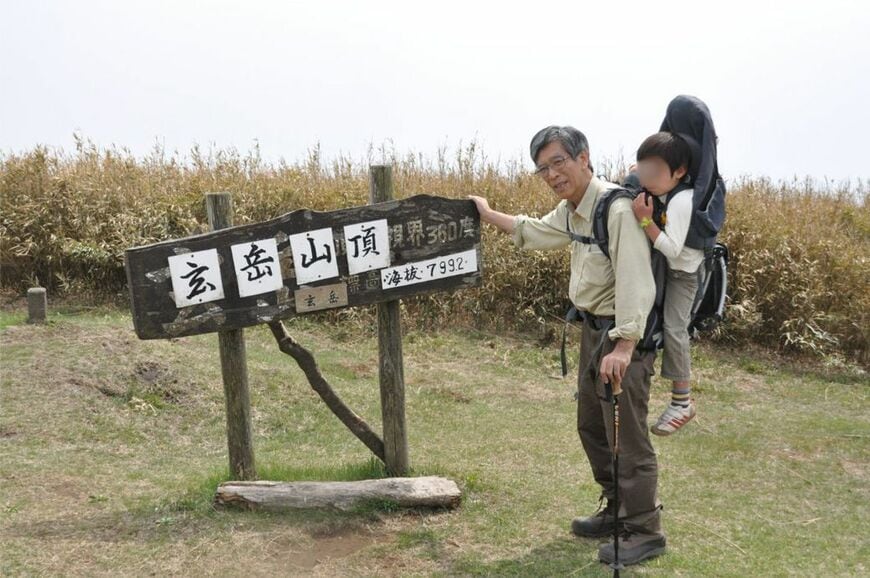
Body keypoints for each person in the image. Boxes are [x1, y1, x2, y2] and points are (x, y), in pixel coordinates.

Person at [469, 126, 666, 567]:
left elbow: (637, 281)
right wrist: (487, 213)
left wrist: (624, 348)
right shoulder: (573, 210)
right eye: (543, 168)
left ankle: (644, 530)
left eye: (558, 162)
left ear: (583, 158)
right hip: (594, 333)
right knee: (592, 426)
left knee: (627, 436)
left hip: (622, 338)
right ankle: (617, 509)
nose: (552, 174)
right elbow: (535, 232)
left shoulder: (615, 209)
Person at [631, 131, 704, 435]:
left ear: (680, 171)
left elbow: (673, 249)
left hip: (683, 275)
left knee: (674, 328)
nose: (647, 177)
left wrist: (644, 221)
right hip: (667, 267)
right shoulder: (663, 186)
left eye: (655, 171)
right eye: (643, 168)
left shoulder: (682, 201)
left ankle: (682, 402)